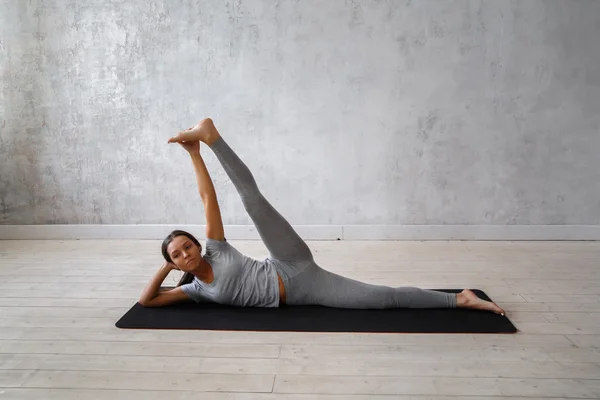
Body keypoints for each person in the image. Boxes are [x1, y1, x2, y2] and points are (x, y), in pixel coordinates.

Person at [139, 118, 505, 316]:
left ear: (197, 244)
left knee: (252, 202)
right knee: (384, 300)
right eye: (178, 254)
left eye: (187, 245)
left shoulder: (216, 249)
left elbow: (207, 198)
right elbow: (147, 303)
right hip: (305, 290)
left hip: (287, 262)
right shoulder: (195, 291)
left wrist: (196, 153)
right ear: (173, 262)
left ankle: (211, 134)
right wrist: (164, 271)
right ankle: (460, 299)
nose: (186, 253)